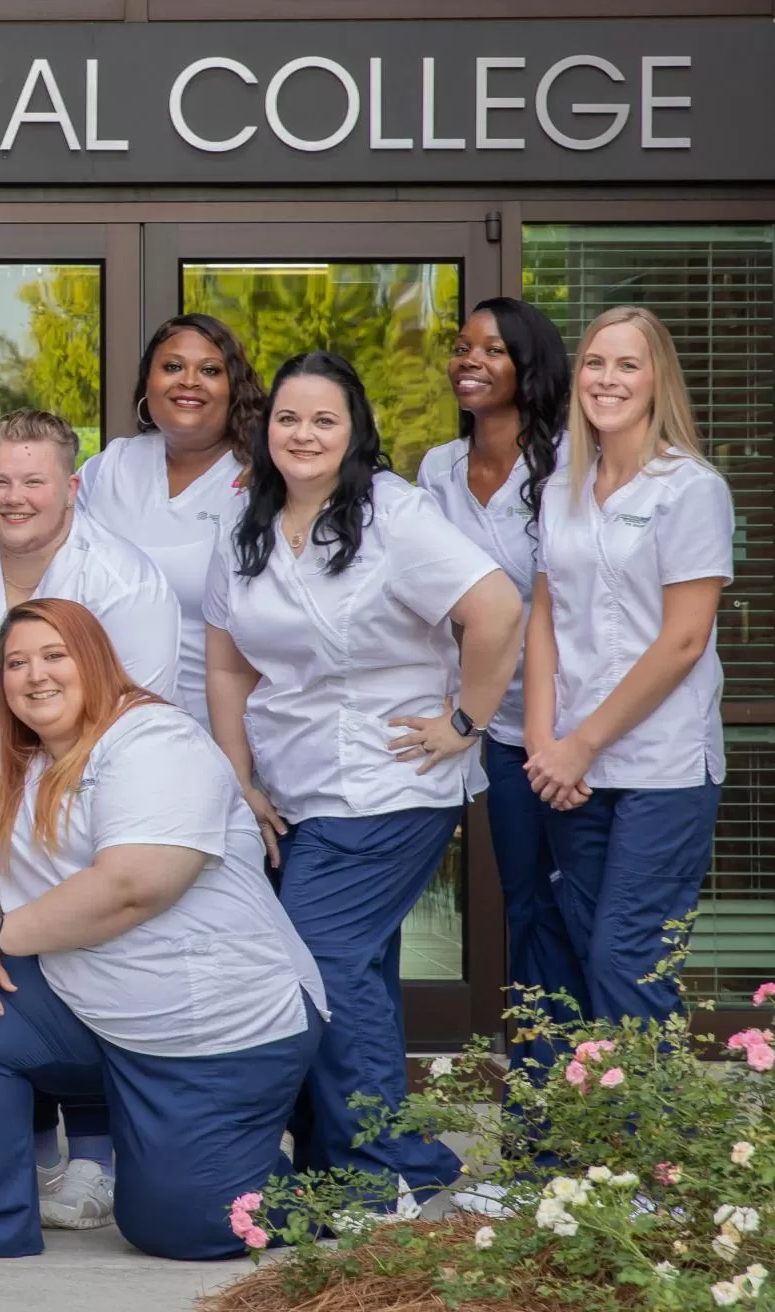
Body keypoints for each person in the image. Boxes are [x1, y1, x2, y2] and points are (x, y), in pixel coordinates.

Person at [0, 599, 325, 1263]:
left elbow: (135, 885)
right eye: (16, 663)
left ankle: (301, 1190)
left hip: (212, 1030)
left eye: (53, 656)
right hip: (92, 1010)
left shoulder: (155, 741)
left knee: (182, 1229)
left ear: (95, 661)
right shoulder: (18, 761)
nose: (35, 676)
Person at [204, 351, 522, 1204]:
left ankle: (370, 1173)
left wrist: (466, 720)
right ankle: (391, 1160)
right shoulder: (247, 524)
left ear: (354, 433)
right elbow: (228, 664)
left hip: (390, 785)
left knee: (318, 965)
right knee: (357, 976)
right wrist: (239, 775)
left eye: (323, 420)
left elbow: (496, 608)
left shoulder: (396, 515)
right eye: (287, 419)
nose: (302, 435)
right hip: (294, 788)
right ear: (265, 429)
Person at [524, 306, 732, 1025]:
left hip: (660, 764)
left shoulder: (690, 488)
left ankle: (656, 1140)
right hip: (573, 769)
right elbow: (545, 614)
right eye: (594, 363)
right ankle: (608, 1135)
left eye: (626, 365)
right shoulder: (561, 488)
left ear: (657, 382)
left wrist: (580, 743)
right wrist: (544, 742)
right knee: (588, 953)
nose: (606, 380)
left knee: (627, 956)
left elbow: (683, 640)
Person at [418, 298, 580, 1052]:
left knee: (589, 918)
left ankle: (609, 1108)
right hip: (496, 725)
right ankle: (541, 1116)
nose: (469, 361)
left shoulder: (572, 462)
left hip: (579, 724)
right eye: (461, 347)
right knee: (528, 908)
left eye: (491, 350)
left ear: (528, 365)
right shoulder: (439, 471)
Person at [0, 409, 181, 820]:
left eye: (34, 482)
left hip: (83, 806)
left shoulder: (127, 584)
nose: (13, 498)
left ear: (71, 489)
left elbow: (136, 728)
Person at [77, 314, 266, 731]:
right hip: (105, 725)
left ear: (233, 389)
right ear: (148, 382)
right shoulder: (110, 467)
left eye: (211, 370)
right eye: (172, 367)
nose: (189, 381)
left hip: (222, 729)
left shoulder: (261, 481)